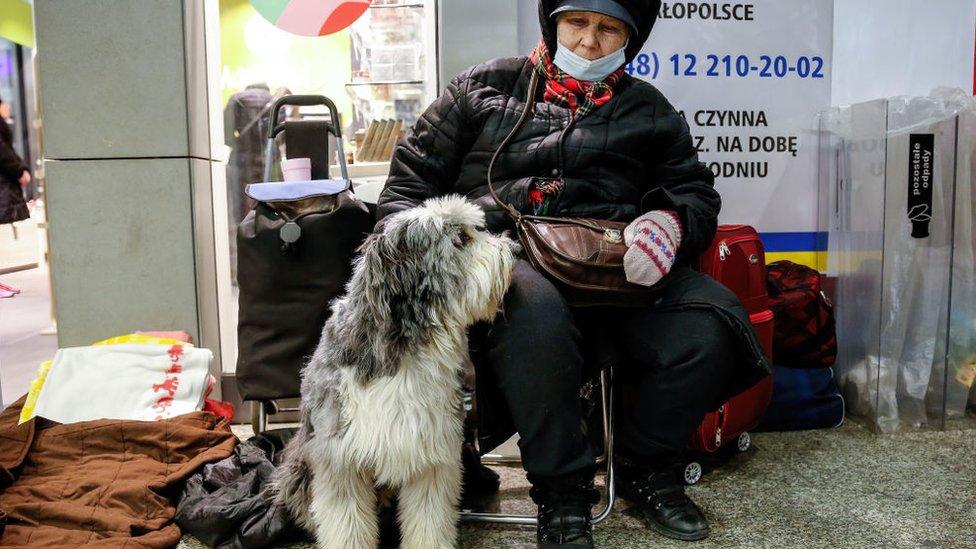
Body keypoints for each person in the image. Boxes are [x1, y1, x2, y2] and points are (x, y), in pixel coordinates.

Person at [375, 1, 769, 547]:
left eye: (608, 29)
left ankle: (645, 465)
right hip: (502, 262)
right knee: (531, 311)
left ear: (631, 37)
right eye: (577, 23)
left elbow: (695, 193)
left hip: (609, 269)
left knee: (712, 324)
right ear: (551, 23)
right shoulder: (482, 87)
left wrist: (670, 224)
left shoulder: (649, 111)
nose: (589, 41)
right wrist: (441, 258)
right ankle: (563, 495)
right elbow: (404, 190)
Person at [0, 94, 30, 227]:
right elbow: (3, 151)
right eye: (5, 104)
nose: (8, 107)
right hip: (4, 191)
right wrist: (20, 170)